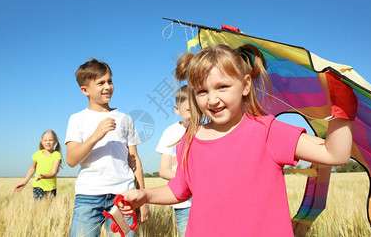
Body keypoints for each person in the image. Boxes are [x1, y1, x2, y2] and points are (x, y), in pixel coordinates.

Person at [118, 44, 356, 236]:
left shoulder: (267, 131)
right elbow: (179, 190)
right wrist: (146, 196)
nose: (212, 100)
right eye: (202, 91)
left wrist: (341, 106)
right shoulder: (189, 140)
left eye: (222, 87)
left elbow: (334, 154)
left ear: (245, 86)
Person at [65, 58, 148, 237]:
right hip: (88, 196)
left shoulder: (125, 119)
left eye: (109, 81)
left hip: (122, 197)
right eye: (100, 83)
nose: (107, 86)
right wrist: (96, 135)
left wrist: (142, 198)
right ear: (85, 90)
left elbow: (134, 160)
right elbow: (71, 160)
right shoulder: (77, 119)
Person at [155, 85, 192, 237]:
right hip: (183, 204)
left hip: (208, 201)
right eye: (189, 110)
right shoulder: (171, 132)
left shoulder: (210, 129)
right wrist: (190, 178)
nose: (195, 114)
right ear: (177, 109)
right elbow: (164, 170)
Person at [14, 130, 62, 200]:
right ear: (41, 141)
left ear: (55, 141)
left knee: (49, 209)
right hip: (38, 185)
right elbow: (32, 168)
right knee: (38, 207)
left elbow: (54, 172)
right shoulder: (37, 154)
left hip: (51, 187)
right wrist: (24, 182)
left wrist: (44, 176)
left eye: (50, 140)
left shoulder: (56, 155)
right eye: (45, 140)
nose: (48, 142)